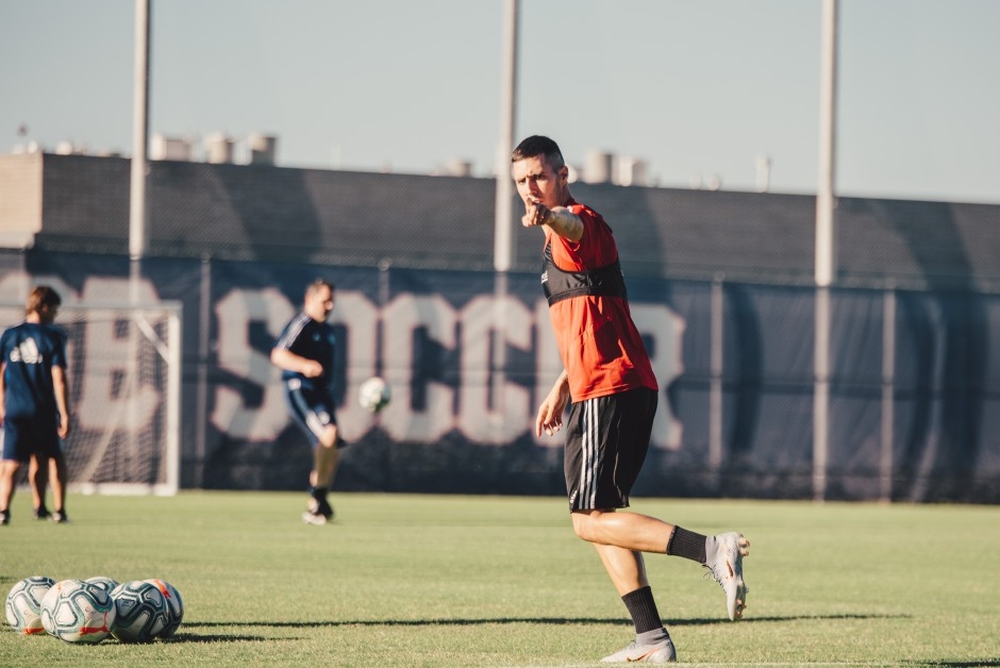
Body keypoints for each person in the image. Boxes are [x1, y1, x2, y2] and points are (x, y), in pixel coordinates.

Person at [512, 135, 750, 663]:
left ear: (562, 173)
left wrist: (551, 216)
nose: (530, 188)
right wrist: (561, 383)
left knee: (587, 519)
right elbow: (590, 318)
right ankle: (651, 638)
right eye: (522, 181)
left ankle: (713, 550)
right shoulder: (561, 237)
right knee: (599, 515)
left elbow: (572, 227)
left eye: (539, 176)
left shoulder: (578, 222)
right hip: (596, 383)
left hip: (610, 386)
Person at [271, 278, 343, 526]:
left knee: (331, 451)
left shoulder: (327, 329)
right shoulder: (302, 323)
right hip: (301, 389)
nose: (330, 305)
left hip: (322, 395)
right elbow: (278, 354)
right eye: (325, 301)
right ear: (309, 300)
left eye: (332, 300)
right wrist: (304, 365)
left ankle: (316, 508)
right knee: (328, 435)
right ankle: (319, 497)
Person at [0, 285, 71, 525]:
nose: (55, 314)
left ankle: (6, 511)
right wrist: (64, 413)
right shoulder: (53, 336)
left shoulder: (9, 335)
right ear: (43, 306)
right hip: (41, 410)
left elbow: (1, 373)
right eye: (54, 309)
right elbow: (59, 378)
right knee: (53, 458)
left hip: (15, 410)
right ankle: (59, 511)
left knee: (12, 463)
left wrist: (1, 404)